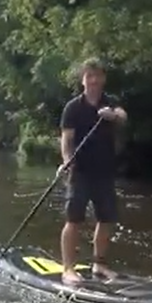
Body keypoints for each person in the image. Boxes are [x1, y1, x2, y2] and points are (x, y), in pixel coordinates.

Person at [58, 58, 128, 285]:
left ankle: (99, 264)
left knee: (106, 219)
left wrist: (113, 116)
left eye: (98, 76)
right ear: (83, 80)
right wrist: (67, 160)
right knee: (74, 219)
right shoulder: (73, 107)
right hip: (80, 172)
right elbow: (66, 139)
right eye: (89, 76)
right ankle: (68, 268)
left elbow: (123, 116)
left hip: (105, 171)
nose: (94, 80)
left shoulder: (111, 102)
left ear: (103, 79)